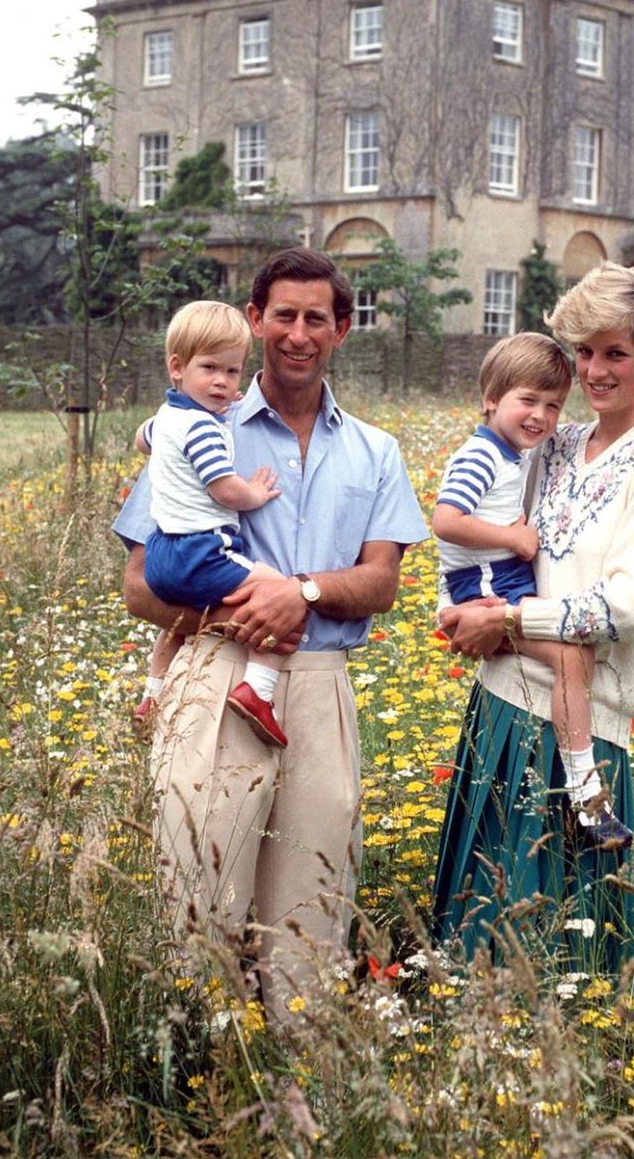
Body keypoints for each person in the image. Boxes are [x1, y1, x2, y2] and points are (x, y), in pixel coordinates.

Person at [113, 249, 428, 1022]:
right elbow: (137, 585)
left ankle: (299, 1081)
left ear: (342, 330)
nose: (297, 333)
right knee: (198, 889)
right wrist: (241, 616)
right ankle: (200, 1073)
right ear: (255, 322)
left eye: (315, 318)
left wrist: (304, 593)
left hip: (319, 686)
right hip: (218, 673)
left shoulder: (375, 451)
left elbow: (381, 582)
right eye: (281, 315)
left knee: (312, 896)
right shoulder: (196, 424)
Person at [432, 261, 634, 983]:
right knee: (478, 935)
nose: (593, 369)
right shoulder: (550, 443)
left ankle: (565, 1072)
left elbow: (622, 607)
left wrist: (506, 619)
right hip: (500, 706)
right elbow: (478, 521)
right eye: (585, 351)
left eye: (614, 353)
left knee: (560, 955)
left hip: (584, 729)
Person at [432, 332, 632, 850]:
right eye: (528, 400)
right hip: (490, 590)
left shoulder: (512, 456)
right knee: (572, 659)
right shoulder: (481, 457)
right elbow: (446, 521)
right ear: (492, 398)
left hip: (502, 587)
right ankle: (586, 797)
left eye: (553, 405)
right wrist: (513, 538)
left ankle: (582, 785)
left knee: (576, 660)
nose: (541, 415)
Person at [131, 300, 289, 748]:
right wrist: (254, 493)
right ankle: (258, 692)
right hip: (202, 549)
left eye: (233, 372)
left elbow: (141, 441)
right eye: (210, 369)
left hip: (161, 552)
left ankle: (153, 694)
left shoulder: (165, 419)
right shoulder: (201, 428)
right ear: (177, 367)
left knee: (176, 626)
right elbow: (223, 488)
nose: (222, 382)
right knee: (281, 595)